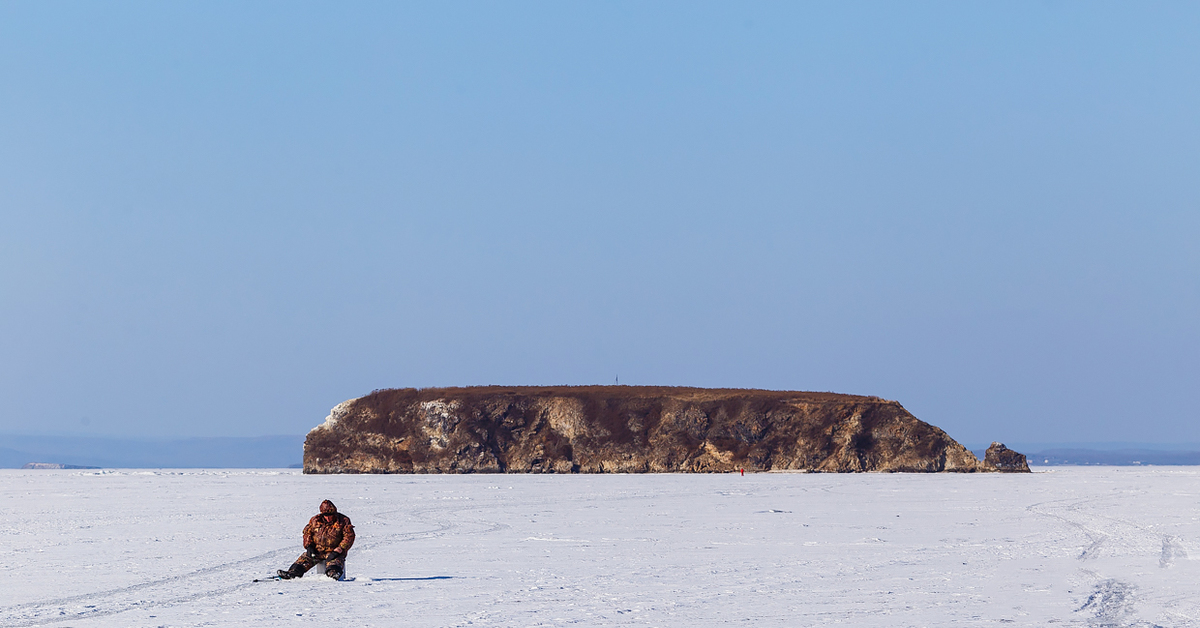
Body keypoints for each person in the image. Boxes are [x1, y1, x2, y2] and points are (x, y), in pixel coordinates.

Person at [277, 499, 355, 580]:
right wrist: (309, 546)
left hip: (334, 552)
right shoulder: (315, 520)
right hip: (317, 551)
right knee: (304, 560)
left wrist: (339, 549)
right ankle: (292, 573)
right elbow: (307, 533)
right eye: (326, 515)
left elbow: (349, 537)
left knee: (335, 564)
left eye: (330, 515)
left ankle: (333, 574)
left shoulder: (343, 520)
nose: (328, 518)